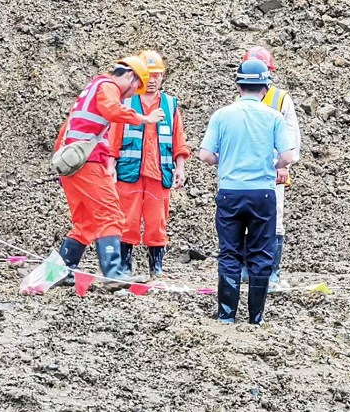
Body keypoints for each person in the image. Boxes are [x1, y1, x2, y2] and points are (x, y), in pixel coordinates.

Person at [198, 59, 294, 324]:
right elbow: (288, 156)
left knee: (229, 252)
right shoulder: (273, 116)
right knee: (261, 253)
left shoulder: (221, 115)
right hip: (263, 193)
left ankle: (226, 315)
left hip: (230, 191)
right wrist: (273, 165)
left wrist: (224, 160)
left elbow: (205, 154)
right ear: (265, 88)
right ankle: (256, 317)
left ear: (239, 86)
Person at [54, 57, 164, 288]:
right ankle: (113, 273)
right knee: (110, 213)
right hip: (88, 162)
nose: (130, 95)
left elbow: (69, 129)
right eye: (135, 87)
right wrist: (144, 119)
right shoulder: (108, 86)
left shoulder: (93, 88)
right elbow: (112, 109)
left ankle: (63, 270)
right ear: (130, 77)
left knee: (85, 222)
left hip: (73, 163)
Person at [109, 50, 191, 280]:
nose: (153, 80)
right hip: (129, 173)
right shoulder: (125, 103)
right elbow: (113, 138)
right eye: (149, 75)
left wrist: (180, 168)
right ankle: (124, 268)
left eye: (158, 75)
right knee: (127, 220)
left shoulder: (170, 104)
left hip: (159, 174)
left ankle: (156, 268)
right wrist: (111, 165)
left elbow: (179, 140)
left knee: (157, 223)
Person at [239, 47, 301, 290]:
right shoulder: (240, 99)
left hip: (274, 169)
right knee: (246, 218)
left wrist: (285, 164)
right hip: (248, 171)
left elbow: (291, 133)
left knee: (274, 219)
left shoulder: (281, 98)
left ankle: (272, 270)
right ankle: (246, 267)